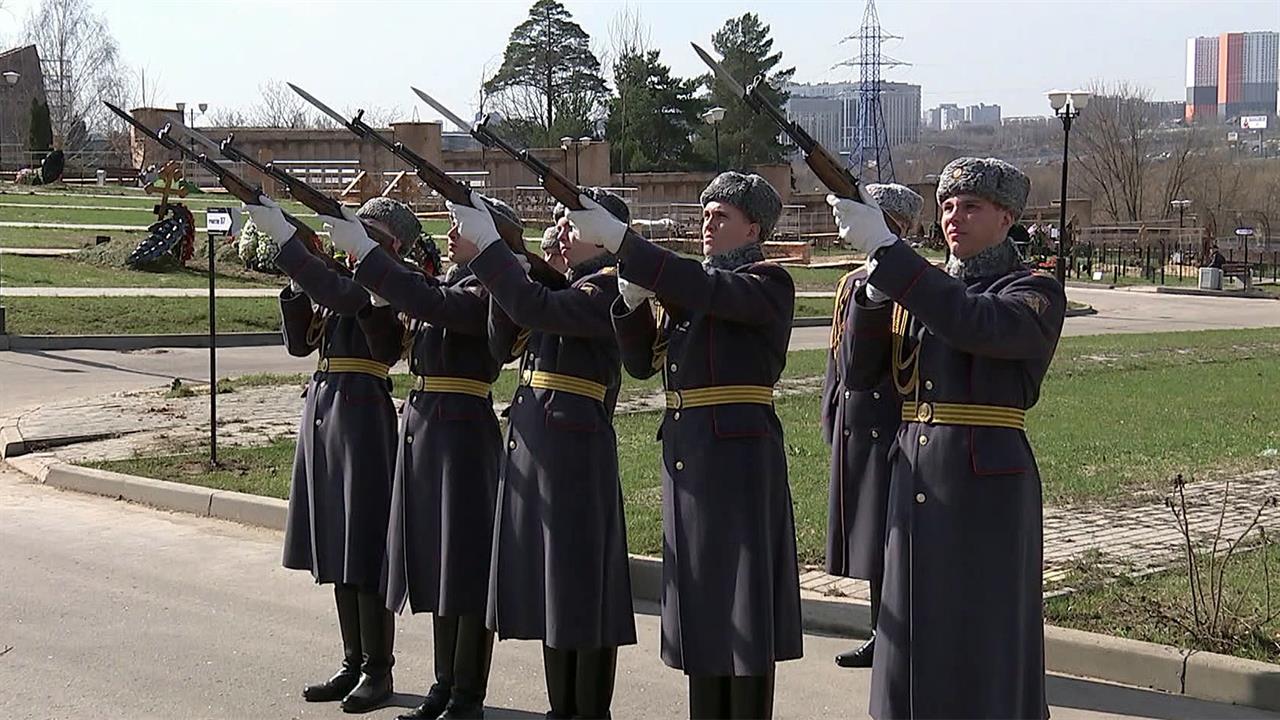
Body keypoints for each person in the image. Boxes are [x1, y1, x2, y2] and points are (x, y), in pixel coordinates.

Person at [827, 157, 1065, 719]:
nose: (954, 216)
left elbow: (973, 321)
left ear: (1007, 218)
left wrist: (891, 257)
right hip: (914, 476)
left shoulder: (1033, 291)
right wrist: (873, 296)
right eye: (947, 206)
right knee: (910, 636)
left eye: (971, 206)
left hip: (985, 487)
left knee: (980, 637)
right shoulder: (921, 287)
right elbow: (859, 372)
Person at [577, 171, 804, 719]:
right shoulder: (695, 289)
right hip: (689, 457)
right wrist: (631, 305)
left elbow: (711, 291)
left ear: (753, 229)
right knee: (703, 607)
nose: (707, 223)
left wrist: (628, 246)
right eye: (704, 214)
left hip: (740, 461)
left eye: (721, 215)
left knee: (745, 610)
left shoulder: (767, 281)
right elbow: (640, 364)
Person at [317, 197, 526, 720]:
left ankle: (466, 694)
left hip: (463, 435)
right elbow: (397, 333)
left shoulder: (487, 290)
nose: (451, 233)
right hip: (429, 430)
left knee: (465, 571)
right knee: (440, 565)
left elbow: (436, 306)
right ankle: (443, 685)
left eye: (463, 226)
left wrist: (372, 260)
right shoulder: (452, 284)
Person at [449, 188, 637, 719]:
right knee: (556, 589)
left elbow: (537, 309)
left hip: (577, 455)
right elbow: (501, 342)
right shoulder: (563, 283)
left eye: (573, 223)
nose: (562, 231)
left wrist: (496, 253)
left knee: (584, 590)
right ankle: (561, 707)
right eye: (559, 222)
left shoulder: (608, 288)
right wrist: (520, 265)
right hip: (544, 450)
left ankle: (588, 710)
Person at [245, 195, 408, 714]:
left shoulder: (388, 280)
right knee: (337, 543)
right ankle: (352, 660)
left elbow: (346, 298)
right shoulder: (343, 274)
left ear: (392, 244)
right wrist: (300, 278)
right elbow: (301, 343)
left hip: (362, 415)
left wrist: (297, 254)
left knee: (363, 547)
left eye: (369, 232)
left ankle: (378, 669)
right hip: (328, 409)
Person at [822, 183, 923, 669]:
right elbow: (837, 357)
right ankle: (879, 632)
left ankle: (899, 637)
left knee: (892, 537)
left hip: (889, 416)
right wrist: (831, 412)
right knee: (867, 536)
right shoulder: (851, 283)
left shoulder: (911, 280)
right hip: (854, 418)